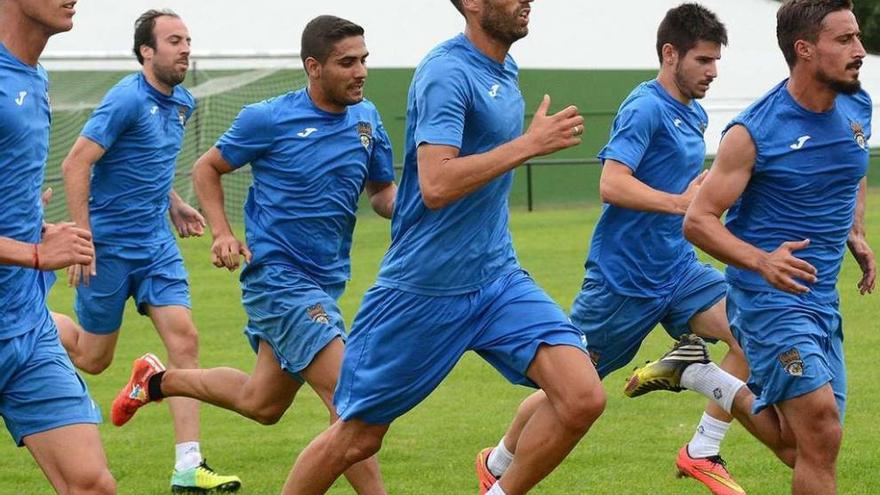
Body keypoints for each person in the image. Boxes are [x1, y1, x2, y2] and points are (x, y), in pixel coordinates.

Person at [282, 2, 605, 494]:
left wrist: (524, 144)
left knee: (582, 396)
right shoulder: (446, 73)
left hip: (496, 278)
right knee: (357, 439)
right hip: (423, 288)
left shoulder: (504, 67)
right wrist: (529, 144)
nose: (527, 1)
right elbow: (435, 184)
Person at [109, 15, 395, 494]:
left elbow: (382, 193)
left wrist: (422, 207)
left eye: (364, 59)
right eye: (347, 62)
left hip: (325, 282)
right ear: (313, 67)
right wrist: (222, 232)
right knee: (350, 401)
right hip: (279, 280)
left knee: (262, 403)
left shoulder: (367, 119)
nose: (360, 70)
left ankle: (156, 382)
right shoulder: (269, 118)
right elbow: (207, 168)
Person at [474, 5, 749, 495]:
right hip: (623, 284)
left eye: (715, 61)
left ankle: (702, 448)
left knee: (754, 327)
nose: (713, 71)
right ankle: (498, 464)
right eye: (704, 60)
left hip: (679, 271)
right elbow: (611, 183)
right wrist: (680, 203)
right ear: (671, 54)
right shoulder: (644, 107)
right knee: (569, 390)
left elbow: (680, 190)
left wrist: (703, 199)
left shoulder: (695, 112)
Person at [627, 1, 874, 493]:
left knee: (802, 448)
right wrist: (762, 261)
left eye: (857, 37)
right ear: (805, 50)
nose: (860, 51)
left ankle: (701, 374)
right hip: (766, 300)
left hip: (821, 297)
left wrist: (855, 231)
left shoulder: (856, 105)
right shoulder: (753, 131)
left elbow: (852, 170)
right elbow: (698, 222)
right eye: (844, 40)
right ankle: (701, 379)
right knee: (821, 427)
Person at [57, 9, 240, 494]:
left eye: (187, 39)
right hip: (109, 247)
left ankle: (188, 466)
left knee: (185, 338)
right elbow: (75, 164)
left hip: (156, 245)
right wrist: (81, 240)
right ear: (147, 52)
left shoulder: (182, 102)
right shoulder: (125, 99)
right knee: (94, 358)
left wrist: (176, 203)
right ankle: (30, 319)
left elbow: (148, 164)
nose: (185, 48)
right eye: (174, 40)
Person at [0, 0, 116, 493]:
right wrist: (31, 253)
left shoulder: (35, 78)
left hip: (25, 324)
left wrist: (35, 227)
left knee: (92, 484)